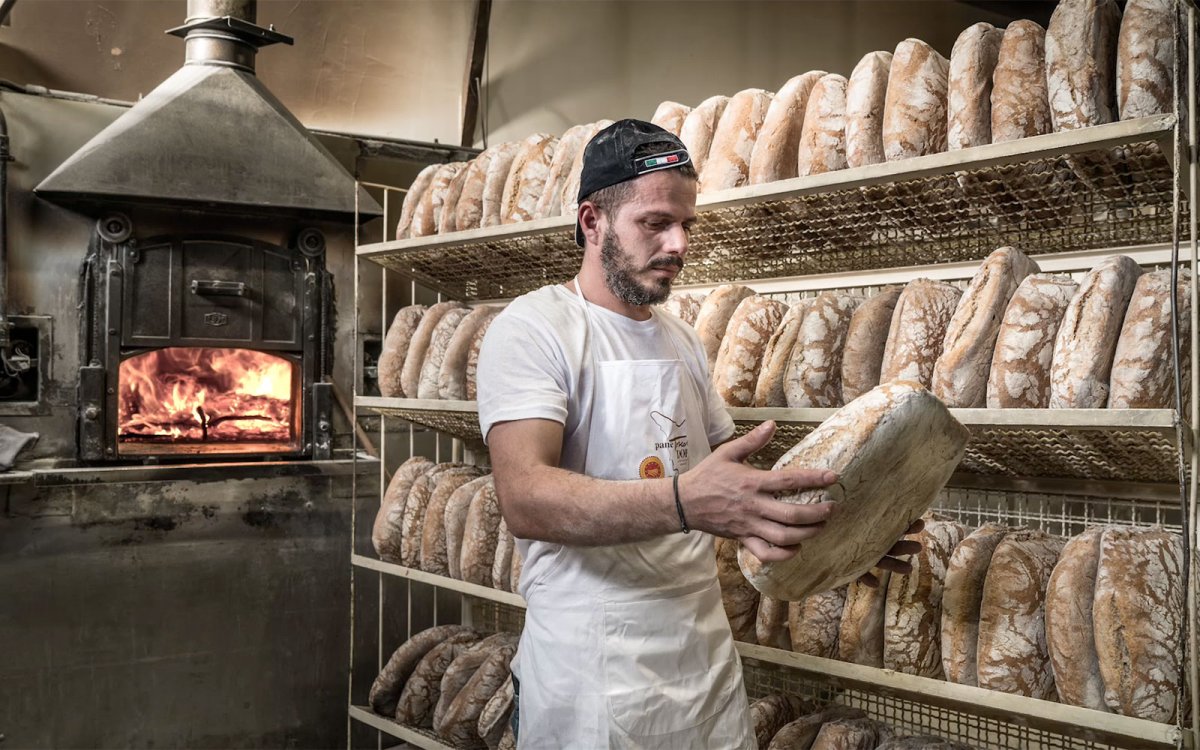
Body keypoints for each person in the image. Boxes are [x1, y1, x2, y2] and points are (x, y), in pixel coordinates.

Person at [476, 119, 918, 749]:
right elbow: (526, 498)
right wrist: (685, 502)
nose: (679, 243)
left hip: (702, 666)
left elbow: (732, 494)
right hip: (592, 679)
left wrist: (842, 534)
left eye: (687, 224)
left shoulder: (679, 338)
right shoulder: (536, 328)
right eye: (655, 223)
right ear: (591, 222)